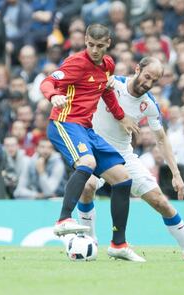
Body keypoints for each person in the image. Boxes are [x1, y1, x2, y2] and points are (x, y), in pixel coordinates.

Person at [77, 57, 184, 262]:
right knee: (87, 186)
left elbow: (161, 138)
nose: (148, 83)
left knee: (160, 202)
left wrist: (176, 174)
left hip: (123, 155)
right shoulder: (111, 83)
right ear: (137, 69)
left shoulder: (149, 104)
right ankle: (89, 239)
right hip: (94, 148)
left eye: (154, 81)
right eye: (147, 76)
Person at [40, 24, 143, 261]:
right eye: (90, 45)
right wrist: (53, 95)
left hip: (86, 129)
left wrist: (121, 116)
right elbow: (47, 81)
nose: (94, 50)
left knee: (122, 179)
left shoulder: (107, 65)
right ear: (85, 41)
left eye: (99, 46)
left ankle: (118, 244)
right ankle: (64, 219)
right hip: (64, 122)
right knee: (86, 162)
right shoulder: (76, 63)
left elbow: (106, 92)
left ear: (108, 43)